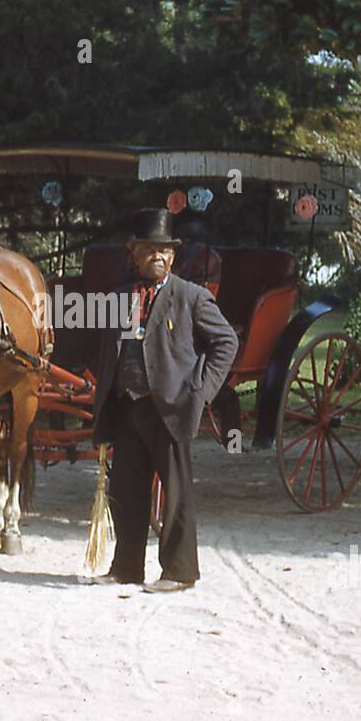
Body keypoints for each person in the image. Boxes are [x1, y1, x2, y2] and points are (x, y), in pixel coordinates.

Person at [90, 208, 239, 593]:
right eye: (149, 249)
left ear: (173, 256)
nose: (158, 256)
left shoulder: (191, 297)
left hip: (170, 408)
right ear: (134, 252)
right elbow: (107, 351)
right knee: (127, 491)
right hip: (127, 406)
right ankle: (126, 568)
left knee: (176, 494)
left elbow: (226, 342)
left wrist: (201, 391)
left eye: (165, 250)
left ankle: (179, 572)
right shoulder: (118, 298)